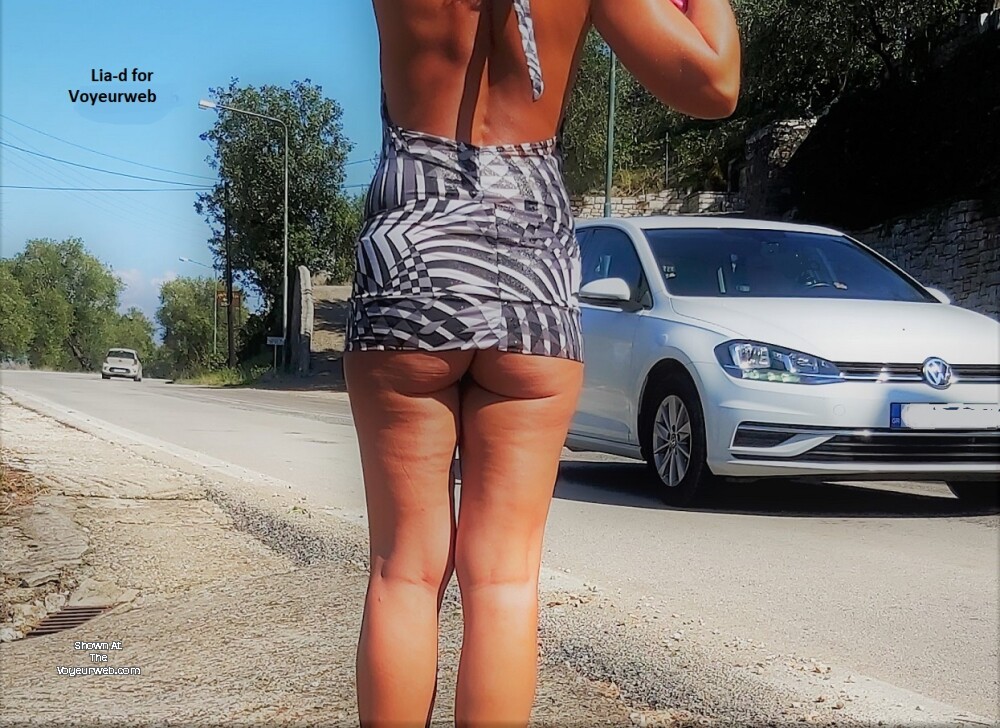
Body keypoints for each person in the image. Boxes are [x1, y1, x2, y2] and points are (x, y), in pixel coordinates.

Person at [344, 1, 741, 725]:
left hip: (409, 252)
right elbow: (714, 83)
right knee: (503, 578)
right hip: (531, 261)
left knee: (403, 570)